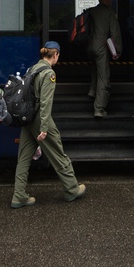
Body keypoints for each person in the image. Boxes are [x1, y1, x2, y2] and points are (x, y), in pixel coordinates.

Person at [12, 41, 86, 209]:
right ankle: (72, 189)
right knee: (57, 152)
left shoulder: (33, 68)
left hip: (28, 118)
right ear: (56, 55)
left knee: (23, 158)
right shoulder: (49, 73)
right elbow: (46, 102)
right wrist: (44, 128)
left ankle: (19, 196)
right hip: (40, 118)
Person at [87, 0, 122, 118]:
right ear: (106, 0)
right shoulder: (109, 13)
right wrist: (117, 50)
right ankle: (99, 108)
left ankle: (92, 90)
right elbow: (115, 34)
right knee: (104, 76)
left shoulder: (91, 11)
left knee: (95, 68)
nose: (111, 1)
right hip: (102, 45)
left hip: (90, 45)